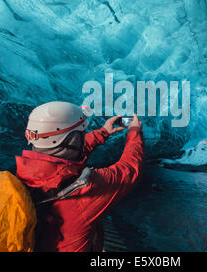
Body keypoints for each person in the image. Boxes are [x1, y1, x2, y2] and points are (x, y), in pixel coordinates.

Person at [15, 101, 144, 252]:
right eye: (82, 133)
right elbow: (129, 169)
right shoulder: (85, 189)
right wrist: (134, 131)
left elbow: (63, 152)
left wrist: (103, 132)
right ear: (72, 140)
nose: (84, 135)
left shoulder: (19, 173)